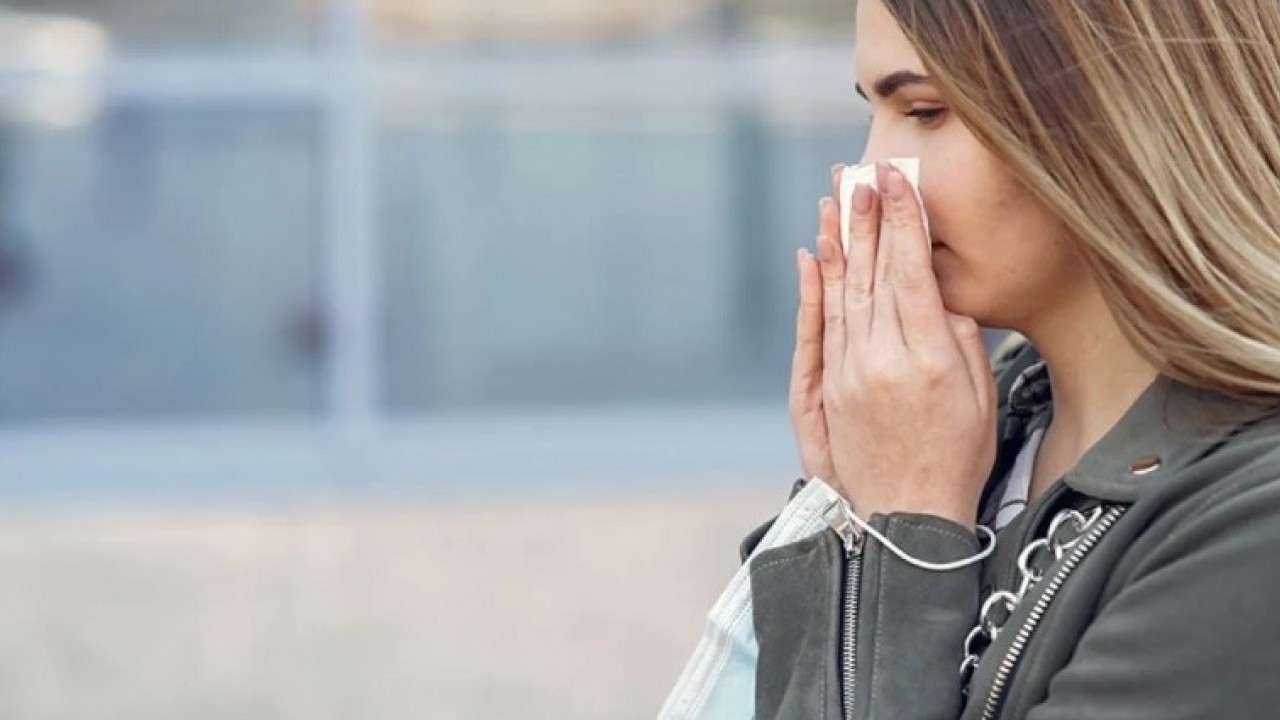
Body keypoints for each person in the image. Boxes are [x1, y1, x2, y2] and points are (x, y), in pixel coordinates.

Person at [661, 0, 1280, 718]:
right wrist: (847, 511)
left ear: (1123, 117)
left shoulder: (1252, 522)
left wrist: (902, 534)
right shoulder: (967, 433)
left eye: (924, 112)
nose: (867, 173)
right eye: (873, 114)